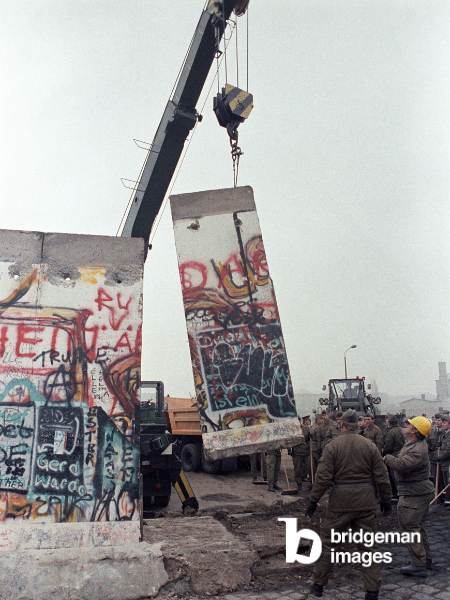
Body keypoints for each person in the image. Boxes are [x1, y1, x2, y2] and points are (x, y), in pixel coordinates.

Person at [306, 409, 392, 600]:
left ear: (342, 425)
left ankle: (318, 585)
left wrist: (314, 500)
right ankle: (372, 591)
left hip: (340, 503)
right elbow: (382, 477)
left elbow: (323, 478)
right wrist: (386, 500)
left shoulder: (332, 446)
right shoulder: (369, 446)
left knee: (328, 544)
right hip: (365, 502)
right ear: (357, 424)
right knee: (369, 548)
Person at [384, 416, 434, 576]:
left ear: (414, 431)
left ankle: (419, 564)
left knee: (410, 528)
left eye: (410, 425)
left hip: (414, 493)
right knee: (418, 527)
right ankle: (425, 560)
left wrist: (388, 458)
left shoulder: (417, 449)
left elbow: (402, 465)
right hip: (415, 491)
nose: (406, 426)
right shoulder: (415, 444)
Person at [382, 413, 405, 499]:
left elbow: (388, 446)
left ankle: (397, 494)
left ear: (389, 422)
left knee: (393, 475)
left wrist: (384, 453)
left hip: (393, 455)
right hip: (403, 454)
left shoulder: (391, 432)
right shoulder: (402, 430)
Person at [289, 416, 311, 491]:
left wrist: (311, 438)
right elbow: (289, 441)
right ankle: (299, 483)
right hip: (297, 453)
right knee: (297, 469)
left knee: (310, 467)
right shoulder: (292, 430)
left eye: (298, 421)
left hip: (306, 452)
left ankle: (312, 482)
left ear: (300, 421)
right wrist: (289, 450)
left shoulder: (306, 428)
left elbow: (309, 440)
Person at [428, 414, 445, 501]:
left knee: (443, 478)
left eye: (439, 420)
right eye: (436, 420)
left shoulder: (445, 431)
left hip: (443, 457)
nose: (437, 422)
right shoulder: (431, 431)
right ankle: (437, 496)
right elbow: (427, 443)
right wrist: (430, 450)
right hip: (434, 457)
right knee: (435, 477)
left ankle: (444, 495)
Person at [434, 414, 450, 505]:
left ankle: (448, 501)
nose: (442, 424)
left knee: (448, 482)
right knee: (444, 482)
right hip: (444, 463)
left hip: (448, 463)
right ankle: (447, 500)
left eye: (444, 423)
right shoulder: (444, 434)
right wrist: (439, 444)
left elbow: (448, 451)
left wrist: (441, 457)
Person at [310, 413, 323, 482]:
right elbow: (318, 439)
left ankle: (313, 479)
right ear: (318, 420)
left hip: (312, 447)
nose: (322, 421)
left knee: (314, 464)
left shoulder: (313, 426)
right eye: (321, 419)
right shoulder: (317, 428)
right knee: (318, 464)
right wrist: (319, 448)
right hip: (316, 448)